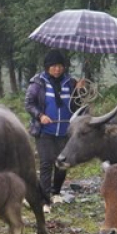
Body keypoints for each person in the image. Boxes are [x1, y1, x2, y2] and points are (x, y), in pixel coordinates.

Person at [25, 49, 85, 213]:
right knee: (46, 163)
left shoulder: (70, 82)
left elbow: (76, 107)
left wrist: (78, 91)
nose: (57, 69)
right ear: (47, 67)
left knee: (62, 163)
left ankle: (56, 192)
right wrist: (40, 115)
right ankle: (44, 201)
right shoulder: (38, 82)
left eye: (60, 66)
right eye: (53, 66)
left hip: (65, 130)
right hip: (45, 130)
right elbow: (29, 103)